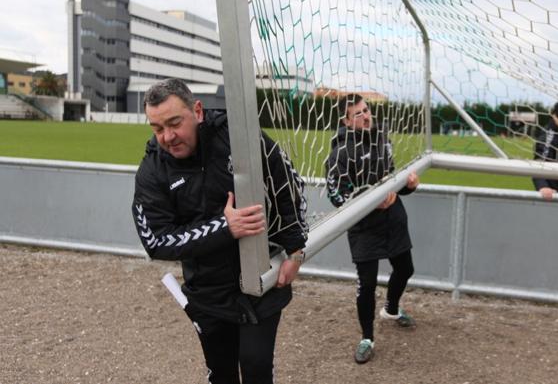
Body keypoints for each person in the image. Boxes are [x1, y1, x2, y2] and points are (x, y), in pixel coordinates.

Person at [131, 78, 308, 384]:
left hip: (260, 281)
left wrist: (296, 250)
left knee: (256, 369)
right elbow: (155, 241)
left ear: (197, 111)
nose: (168, 137)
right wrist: (224, 228)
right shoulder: (152, 170)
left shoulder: (237, 135)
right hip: (207, 294)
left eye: (175, 123)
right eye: (157, 128)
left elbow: (286, 181)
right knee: (221, 375)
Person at [325, 93, 419, 364]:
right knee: (366, 285)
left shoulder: (382, 141)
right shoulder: (339, 153)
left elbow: (392, 179)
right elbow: (336, 196)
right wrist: (370, 202)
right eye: (358, 113)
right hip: (364, 229)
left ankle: (391, 309)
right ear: (346, 120)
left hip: (393, 221)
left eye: (366, 110)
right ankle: (367, 337)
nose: (366, 116)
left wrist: (407, 186)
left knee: (405, 269)